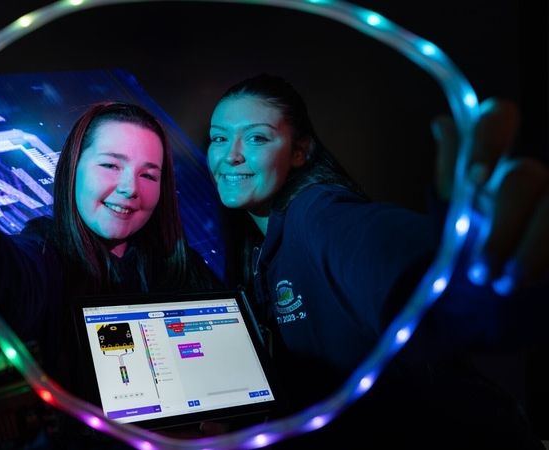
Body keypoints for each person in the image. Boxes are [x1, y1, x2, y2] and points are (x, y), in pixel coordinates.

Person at [0, 68, 225, 448]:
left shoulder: (182, 266)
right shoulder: (45, 255)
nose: (130, 188)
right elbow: (3, 285)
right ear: (72, 169)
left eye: (149, 175)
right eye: (111, 165)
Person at [206, 73, 549, 448]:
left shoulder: (317, 213)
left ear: (300, 151)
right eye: (219, 138)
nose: (231, 155)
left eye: (257, 137)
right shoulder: (257, 252)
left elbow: (396, 258)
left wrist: (470, 275)